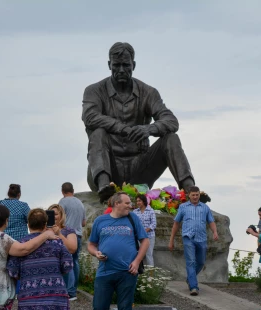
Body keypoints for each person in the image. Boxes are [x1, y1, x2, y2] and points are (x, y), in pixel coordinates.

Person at [82, 42, 195, 201]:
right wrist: (123, 128)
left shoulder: (148, 92)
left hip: (140, 171)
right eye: (117, 65)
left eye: (126, 65)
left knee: (171, 138)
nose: (121, 70)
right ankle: (104, 188)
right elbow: (90, 117)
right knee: (98, 133)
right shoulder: (94, 90)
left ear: (133, 65)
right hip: (109, 167)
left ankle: (191, 190)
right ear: (109, 65)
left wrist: (148, 129)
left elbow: (171, 121)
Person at [79, 192, 149, 310]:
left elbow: (144, 241)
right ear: (116, 203)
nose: (130, 205)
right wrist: (96, 254)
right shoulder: (100, 221)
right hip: (104, 273)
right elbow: (91, 244)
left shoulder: (132, 219)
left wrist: (137, 261)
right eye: (126, 202)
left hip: (127, 273)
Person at [0, 184, 31, 310]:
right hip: (20, 246)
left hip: (2, 245)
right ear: (19, 194)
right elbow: (31, 221)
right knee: (21, 280)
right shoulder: (23, 206)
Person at [169, 186, 219, 296]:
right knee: (191, 261)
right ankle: (194, 286)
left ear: (199, 195)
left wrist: (215, 232)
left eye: (197, 195)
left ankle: (190, 278)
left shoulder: (205, 207)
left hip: (201, 238)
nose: (195, 197)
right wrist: (171, 239)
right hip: (188, 238)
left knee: (200, 262)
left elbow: (211, 221)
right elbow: (176, 223)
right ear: (189, 195)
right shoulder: (183, 207)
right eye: (193, 195)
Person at [59, 182, 86, 301]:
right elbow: (84, 222)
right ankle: (74, 288)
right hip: (78, 235)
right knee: (75, 261)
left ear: (62, 191)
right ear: (73, 190)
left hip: (67, 236)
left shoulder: (63, 202)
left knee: (67, 261)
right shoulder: (80, 203)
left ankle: (69, 291)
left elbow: (59, 218)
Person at [49, 204, 79, 300]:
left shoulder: (68, 230)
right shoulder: (43, 230)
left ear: (61, 216)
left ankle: (70, 292)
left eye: (56, 214)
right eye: (50, 214)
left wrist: (59, 234)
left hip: (63, 266)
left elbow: (72, 249)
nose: (53, 217)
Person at [132, 193, 157, 266]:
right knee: (139, 254)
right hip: (139, 237)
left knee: (149, 254)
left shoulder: (151, 211)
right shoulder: (135, 212)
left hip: (149, 236)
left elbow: (153, 224)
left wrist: (145, 230)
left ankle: (151, 273)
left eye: (139, 201)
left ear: (144, 201)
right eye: (137, 201)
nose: (138, 203)